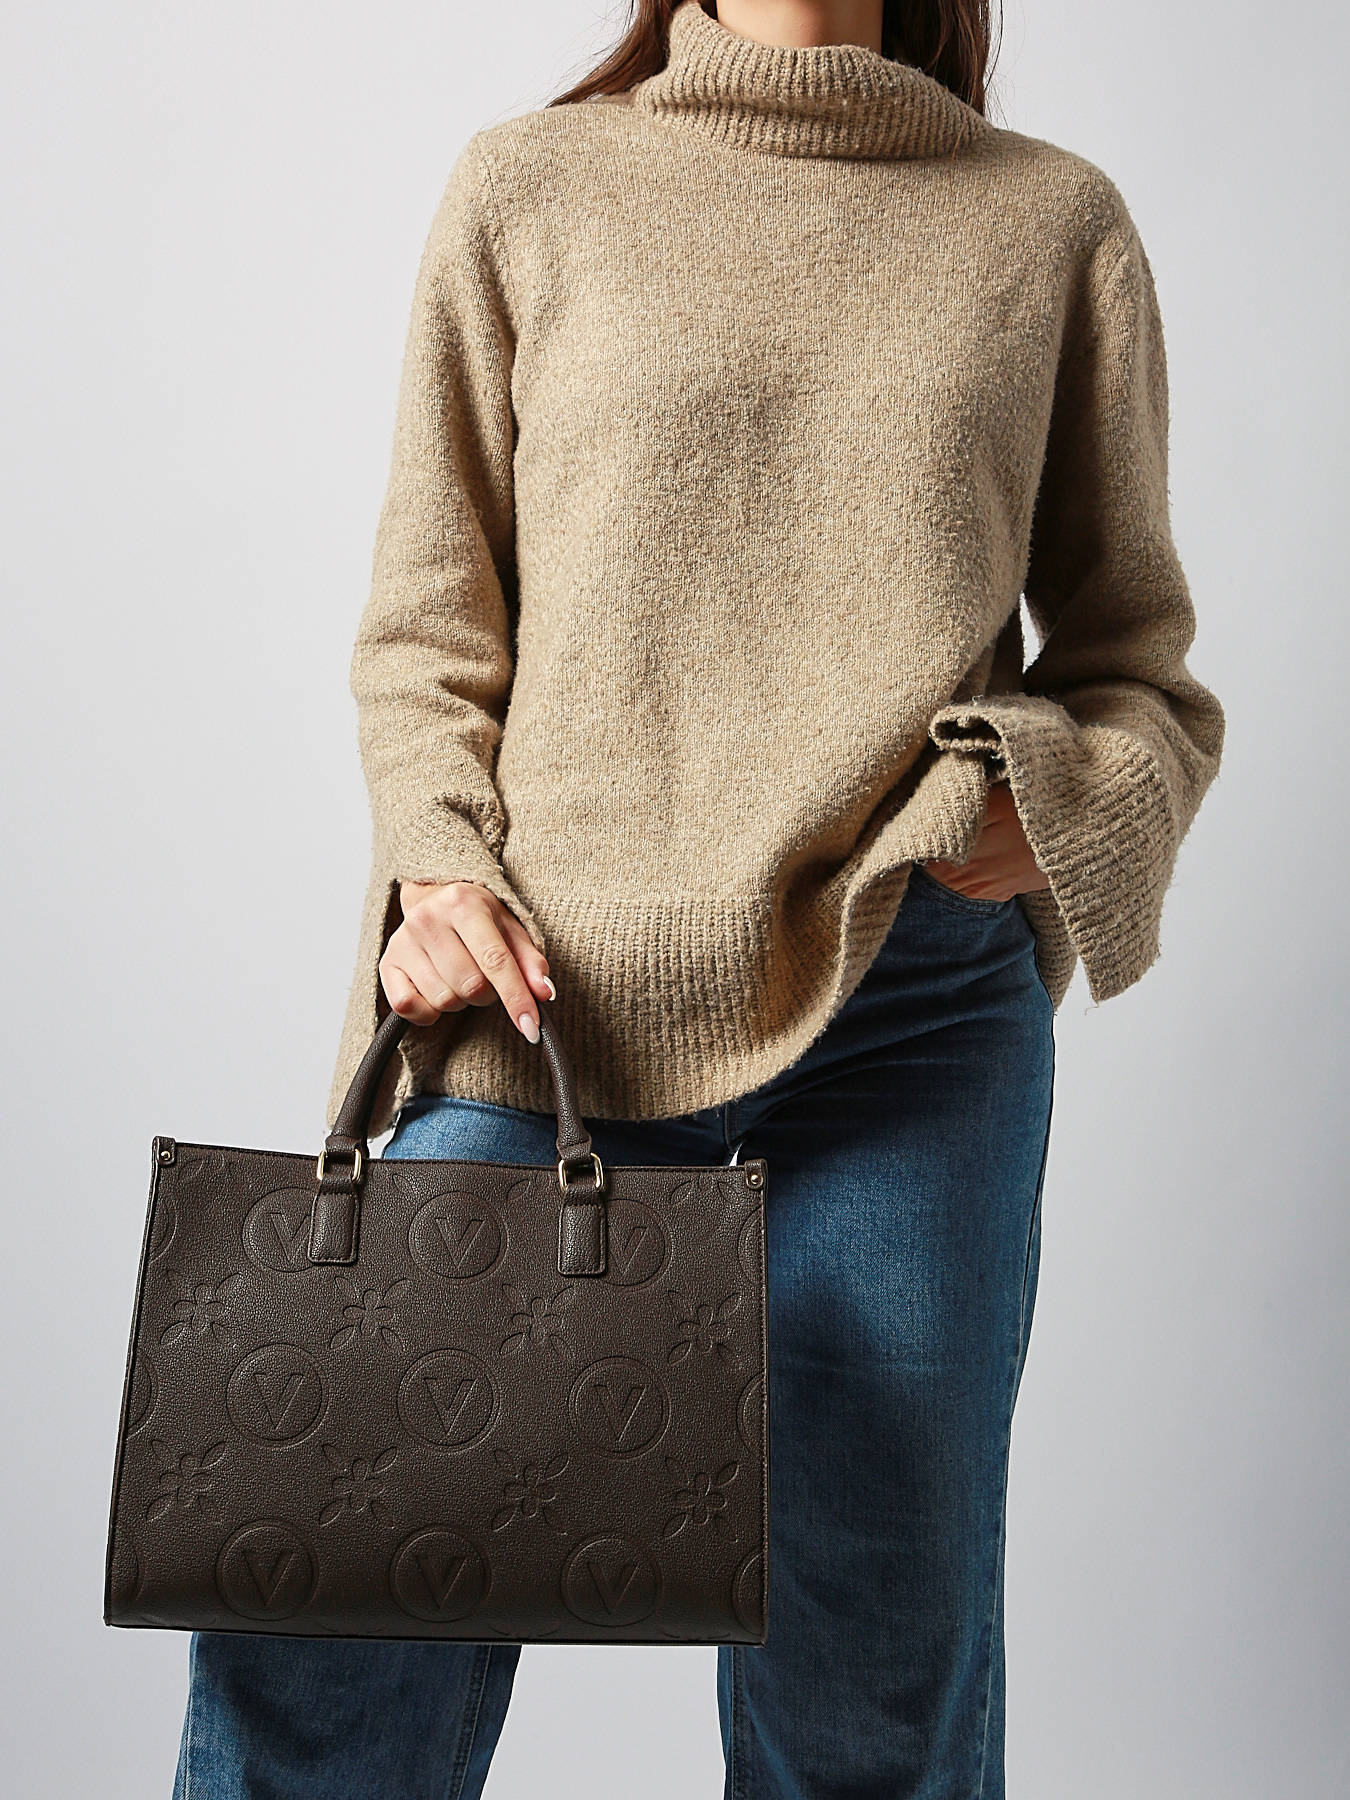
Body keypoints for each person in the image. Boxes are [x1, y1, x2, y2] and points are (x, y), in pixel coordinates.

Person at [173, 2, 1225, 1794]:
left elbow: (1137, 667)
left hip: (903, 1020)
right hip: (542, 1013)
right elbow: (428, 630)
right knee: (328, 1629)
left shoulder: (1049, 223)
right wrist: (438, 860)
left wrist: (1048, 804)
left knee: (870, 1698)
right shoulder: (531, 188)